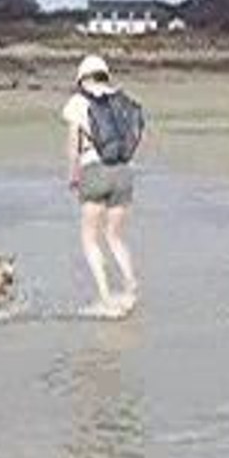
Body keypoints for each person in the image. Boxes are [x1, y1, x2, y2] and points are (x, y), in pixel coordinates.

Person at [61, 54, 143, 316]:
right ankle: (131, 289)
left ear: (82, 77)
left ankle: (106, 297)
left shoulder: (78, 102)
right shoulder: (121, 100)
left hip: (94, 170)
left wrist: (73, 174)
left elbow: (74, 144)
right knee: (116, 237)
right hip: (123, 171)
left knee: (90, 239)